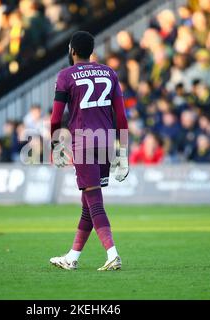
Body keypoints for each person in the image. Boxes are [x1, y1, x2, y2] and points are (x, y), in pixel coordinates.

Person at [49, 31, 128, 271]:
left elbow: (55, 117)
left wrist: (55, 145)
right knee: (88, 202)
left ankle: (113, 254)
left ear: (72, 50)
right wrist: (123, 151)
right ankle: (72, 258)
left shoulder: (65, 76)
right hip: (105, 141)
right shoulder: (109, 72)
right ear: (91, 51)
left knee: (94, 200)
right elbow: (121, 116)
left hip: (84, 141)